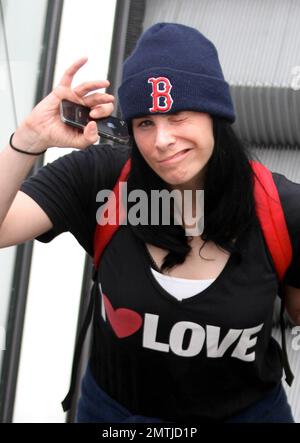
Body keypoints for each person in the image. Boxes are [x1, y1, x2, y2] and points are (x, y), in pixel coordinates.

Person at [0, 22, 299, 423]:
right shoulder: (101, 181)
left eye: (178, 116)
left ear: (215, 115)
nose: (161, 140)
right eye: (145, 123)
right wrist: (30, 139)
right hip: (116, 415)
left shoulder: (282, 208)